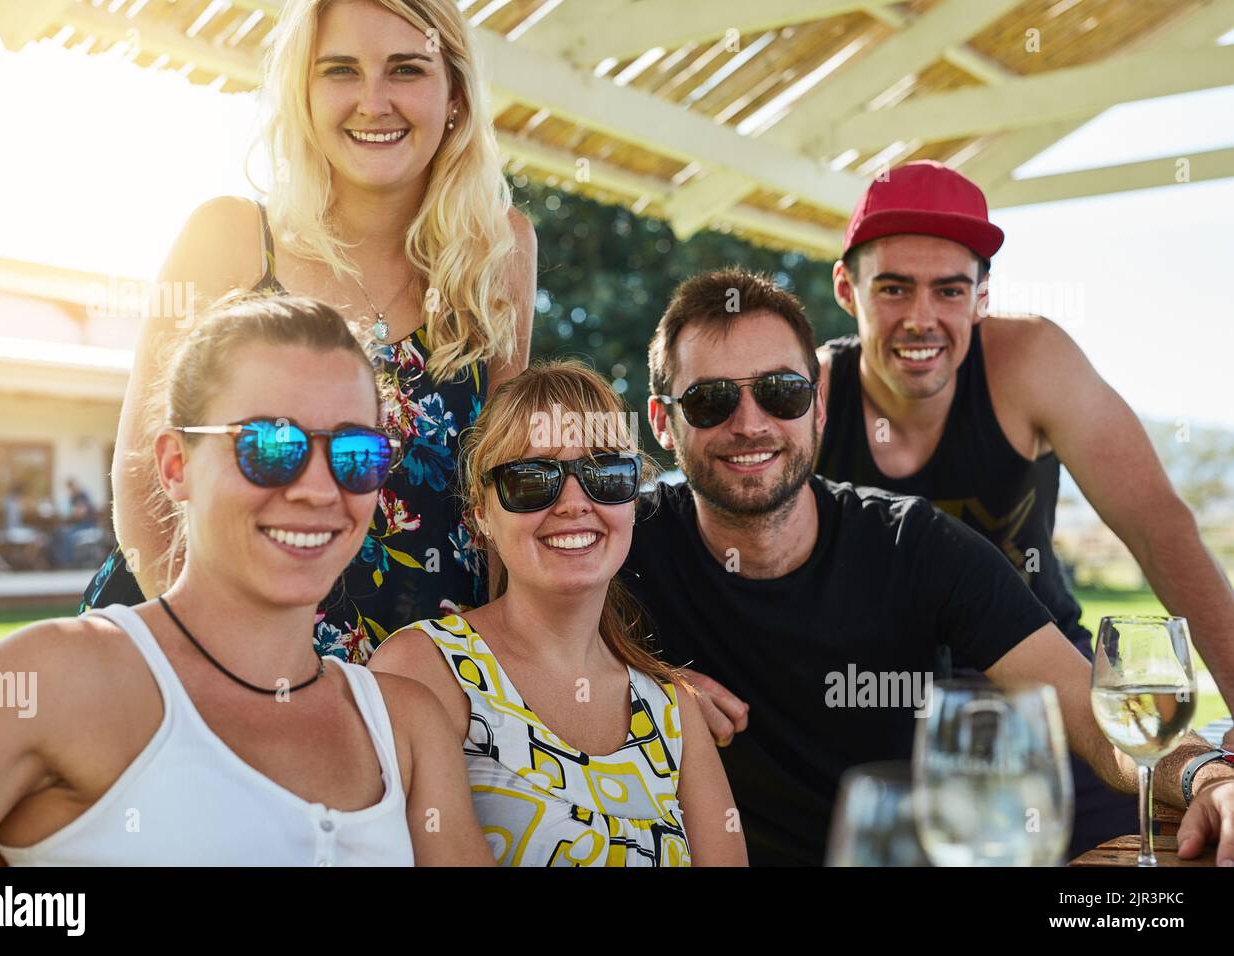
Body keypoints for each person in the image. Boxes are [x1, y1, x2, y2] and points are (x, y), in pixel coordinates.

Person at [620, 268, 1234, 865]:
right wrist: (645, 681)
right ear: (662, 424)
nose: (750, 423)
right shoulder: (620, 544)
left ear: (819, 406)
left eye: (782, 392)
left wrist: (1208, 777)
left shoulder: (914, 544)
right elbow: (525, 648)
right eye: (709, 401)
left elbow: (1093, 714)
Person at [0, 297, 491, 867]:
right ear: (176, 465)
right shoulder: (57, 679)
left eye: (356, 453)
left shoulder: (404, 726)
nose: (321, 490)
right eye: (272, 447)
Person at [79, 0, 537, 661]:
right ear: (303, 92)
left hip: (418, 674)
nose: (373, 101)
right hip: (193, 653)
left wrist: (502, 676)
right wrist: (217, 670)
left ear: (455, 96)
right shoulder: (231, 238)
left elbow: (505, 489)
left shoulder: (502, 250)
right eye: (341, 70)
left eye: (406, 70)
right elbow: (142, 478)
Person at [818, 161, 1234, 734]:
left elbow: (1157, 526)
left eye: (950, 290)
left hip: (1051, 691)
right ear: (847, 289)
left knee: (1156, 819)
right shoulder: (805, 396)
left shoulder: (1033, 360)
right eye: (893, 289)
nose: (921, 319)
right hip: (870, 704)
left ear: (981, 297)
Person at [370, 360, 748, 866]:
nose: (574, 502)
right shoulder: (423, 670)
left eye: (605, 474)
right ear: (481, 514)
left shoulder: (675, 712)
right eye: (531, 479)